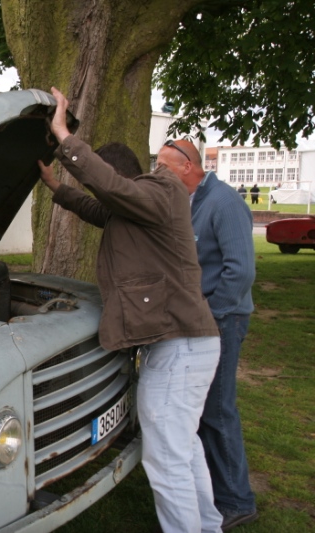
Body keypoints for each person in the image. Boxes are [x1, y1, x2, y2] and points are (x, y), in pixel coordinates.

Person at [39, 87, 222, 533]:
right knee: (185, 447)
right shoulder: (137, 213)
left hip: (180, 349)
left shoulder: (161, 190)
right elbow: (97, 206)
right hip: (184, 347)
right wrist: (56, 187)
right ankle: (211, 525)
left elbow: (108, 189)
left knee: (165, 458)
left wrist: (64, 136)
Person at [160, 139, 258, 531]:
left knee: (218, 411)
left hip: (224, 321)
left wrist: (211, 316)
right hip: (205, 322)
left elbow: (241, 272)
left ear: (187, 166)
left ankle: (237, 500)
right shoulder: (189, 201)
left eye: (165, 168)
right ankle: (217, 492)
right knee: (203, 413)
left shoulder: (225, 202)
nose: (159, 175)